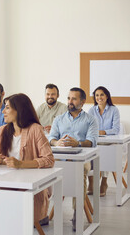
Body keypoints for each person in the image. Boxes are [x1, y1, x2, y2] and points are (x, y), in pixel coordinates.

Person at [0, 93, 54, 227]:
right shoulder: (1, 131)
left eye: (8, 108)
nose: (3, 111)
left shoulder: (35, 129)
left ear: (19, 110)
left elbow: (49, 160)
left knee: (8, 216)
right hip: (5, 184)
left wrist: (21, 164)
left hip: (28, 187)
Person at [48, 87, 98, 231]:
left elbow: (92, 141)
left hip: (83, 160)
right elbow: (51, 138)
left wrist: (79, 143)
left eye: (74, 99)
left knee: (79, 171)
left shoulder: (90, 120)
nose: (70, 102)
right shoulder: (59, 119)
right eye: (69, 98)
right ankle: (41, 212)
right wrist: (56, 142)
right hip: (61, 159)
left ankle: (77, 213)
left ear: (82, 102)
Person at [88, 86, 120, 197]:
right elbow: (88, 128)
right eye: (97, 95)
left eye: (102, 94)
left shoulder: (114, 110)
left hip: (109, 142)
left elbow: (116, 129)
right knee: (89, 152)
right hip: (95, 142)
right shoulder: (91, 110)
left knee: (105, 152)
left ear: (106, 96)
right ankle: (91, 182)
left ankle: (104, 181)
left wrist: (103, 132)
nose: (99, 97)